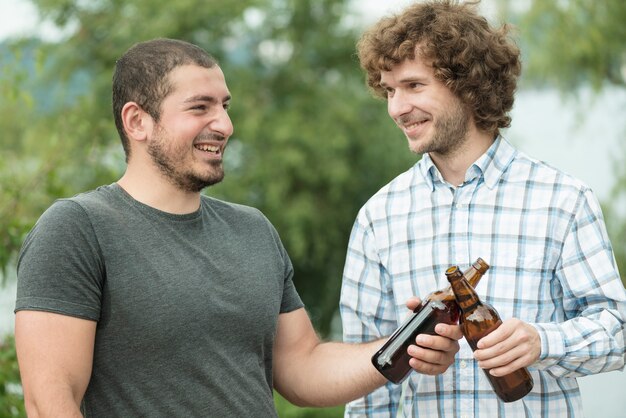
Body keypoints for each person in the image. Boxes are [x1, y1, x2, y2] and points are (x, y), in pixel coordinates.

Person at [13, 38, 462, 417]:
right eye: (200, 107)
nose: (224, 125)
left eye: (225, 106)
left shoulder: (252, 230)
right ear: (137, 122)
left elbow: (302, 368)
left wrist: (409, 342)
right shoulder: (77, 228)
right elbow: (50, 401)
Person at [340, 1, 626, 417]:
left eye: (414, 86)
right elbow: (366, 390)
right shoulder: (377, 217)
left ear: (467, 84)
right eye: (389, 90)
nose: (396, 108)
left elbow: (619, 330)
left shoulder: (562, 200)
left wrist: (542, 342)